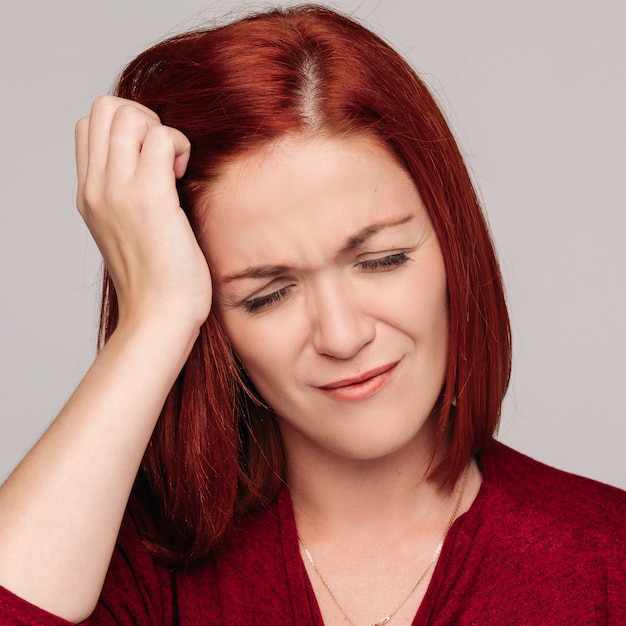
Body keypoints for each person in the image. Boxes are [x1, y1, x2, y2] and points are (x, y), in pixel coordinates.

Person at [0, 4, 624, 625]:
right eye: (266, 295)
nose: (344, 336)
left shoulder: (607, 561)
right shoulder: (134, 572)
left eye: (382, 260)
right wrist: (155, 316)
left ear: (453, 243)